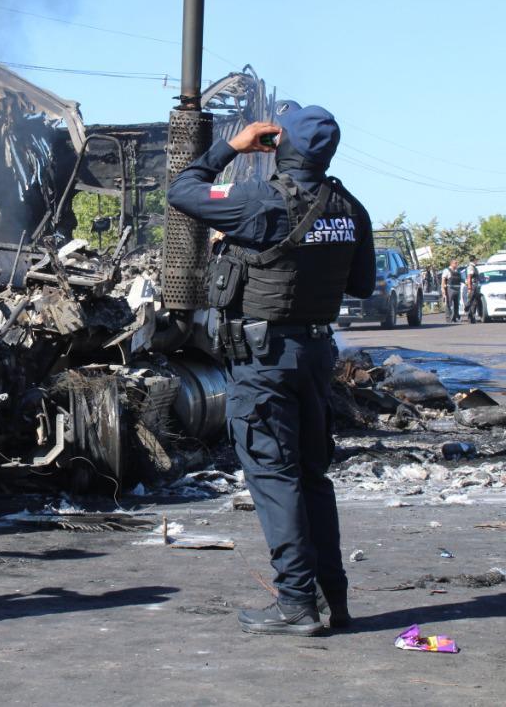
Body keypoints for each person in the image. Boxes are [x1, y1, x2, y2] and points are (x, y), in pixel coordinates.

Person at [167, 105, 375, 636]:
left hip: (264, 364)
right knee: (312, 478)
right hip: (315, 358)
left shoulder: (262, 201)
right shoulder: (349, 207)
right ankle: (334, 600)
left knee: (274, 478)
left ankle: (295, 604)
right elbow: (362, 285)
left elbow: (184, 188)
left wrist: (231, 147)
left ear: (281, 144)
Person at [441, 258, 462, 322]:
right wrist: (443, 290)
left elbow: (461, 279)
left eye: (457, 263)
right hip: (450, 288)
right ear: (451, 264)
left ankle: (455, 317)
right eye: (455, 263)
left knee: (456, 304)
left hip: (457, 289)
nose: (456, 264)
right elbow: (443, 280)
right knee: (449, 303)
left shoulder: (457, 271)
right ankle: (448, 318)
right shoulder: (447, 270)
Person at [465, 255, 482, 323]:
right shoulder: (471, 267)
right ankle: (467, 308)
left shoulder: (474, 267)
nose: (477, 261)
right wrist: (469, 287)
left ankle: (472, 317)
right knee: (471, 301)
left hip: (475, 285)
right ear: (474, 260)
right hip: (473, 286)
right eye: (476, 260)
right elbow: (469, 277)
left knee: (474, 302)